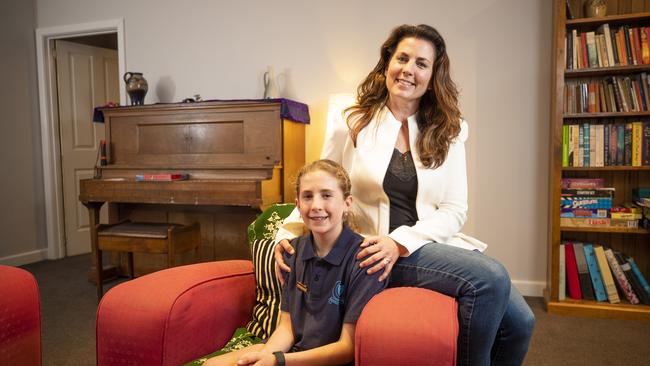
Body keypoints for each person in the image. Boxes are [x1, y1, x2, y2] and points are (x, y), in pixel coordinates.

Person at [274, 24, 535, 366]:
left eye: (421, 63)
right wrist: (287, 232)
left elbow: (455, 209)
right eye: (402, 58)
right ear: (387, 63)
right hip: (369, 251)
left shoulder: (451, 130)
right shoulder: (351, 120)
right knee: (491, 278)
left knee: (521, 323)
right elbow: (322, 181)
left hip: (419, 245)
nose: (409, 70)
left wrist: (400, 242)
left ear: (432, 75)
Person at [203, 159, 386, 366]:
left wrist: (278, 361)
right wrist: (265, 358)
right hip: (290, 353)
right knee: (211, 365)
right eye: (307, 196)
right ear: (298, 205)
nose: (316, 206)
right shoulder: (292, 251)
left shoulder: (365, 258)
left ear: (347, 203)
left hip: (323, 360)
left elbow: (347, 348)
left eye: (326, 195)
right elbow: (286, 327)